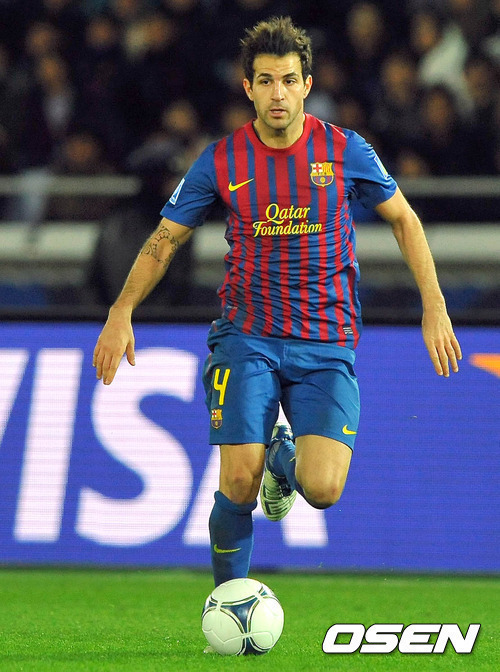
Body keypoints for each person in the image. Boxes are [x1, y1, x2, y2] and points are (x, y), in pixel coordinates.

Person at [93, 16, 462, 591]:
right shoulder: (221, 160)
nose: (278, 93)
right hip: (248, 337)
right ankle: (228, 602)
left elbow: (405, 221)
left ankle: (282, 459)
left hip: (326, 341)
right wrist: (122, 311)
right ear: (248, 88)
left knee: (323, 489)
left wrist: (433, 305)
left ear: (307, 84)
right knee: (238, 482)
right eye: (265, 81)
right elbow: (165, 239)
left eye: (289, 80)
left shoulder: (344, 150)